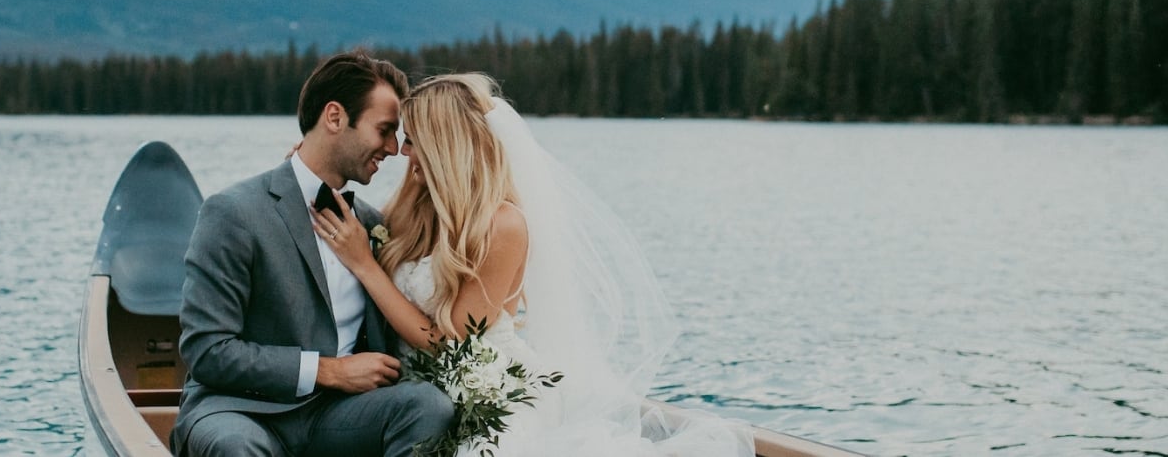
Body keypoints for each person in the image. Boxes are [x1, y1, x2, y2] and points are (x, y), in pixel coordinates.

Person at [312, 73, 756, 456]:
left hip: (491, 399)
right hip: (416, 395)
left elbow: (451, 343)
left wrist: (366, 268)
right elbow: (367, 229)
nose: (401, 151)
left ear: (443, 145)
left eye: (412, 140)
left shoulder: (503, 224)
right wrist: (316, 165)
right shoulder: (418, 206)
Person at [171, 50, 454, 457]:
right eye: (384, 130)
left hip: (340, 417)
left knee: (428, 407)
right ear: (335, 117)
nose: (394, 148)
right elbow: (207, 351)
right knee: (237, 447)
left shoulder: (373, 224)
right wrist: (328, 371)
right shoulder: (233, 212)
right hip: (242, 409)